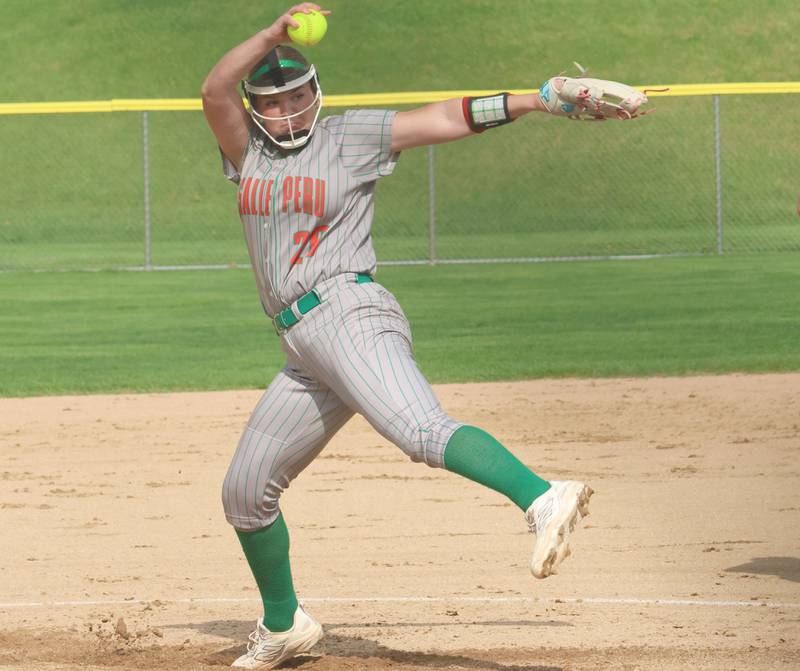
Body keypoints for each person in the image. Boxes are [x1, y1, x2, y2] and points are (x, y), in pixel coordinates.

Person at [201, 4, 595, 669]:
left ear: (316, 92)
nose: (291, 109)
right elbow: (214, 90)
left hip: (350, 313)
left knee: (420, 430)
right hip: (301, 346)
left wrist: (539, 99)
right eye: (275, 99)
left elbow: (444, 117)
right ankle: (286, 623)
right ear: (257, 107)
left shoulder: (348, 136)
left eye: (299, 94)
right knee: (246, 492)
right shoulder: (246, 153)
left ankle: (541, 495)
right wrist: (270, 34)